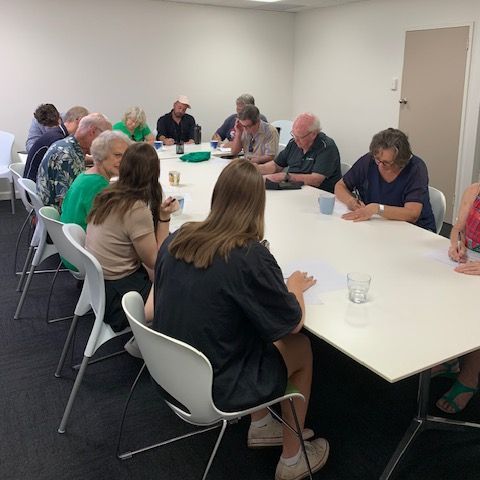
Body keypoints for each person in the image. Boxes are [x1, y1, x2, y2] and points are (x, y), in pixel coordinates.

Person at [149, 159, 329, 480]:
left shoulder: (178, 237)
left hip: (170, 373)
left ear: (217, 196)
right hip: (217, 386)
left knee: (245, 323)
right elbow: (291, 322)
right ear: (259, 204)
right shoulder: (248, 254)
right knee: (299, 346)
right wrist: (294, 287)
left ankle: (260, 424)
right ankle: (292, 458)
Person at [86, 143, 178, 341]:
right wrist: (164, 217)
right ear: (155, 172)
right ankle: (154, 344)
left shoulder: (108, 193)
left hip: (100, 289)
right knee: (183, 282)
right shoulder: (135, 208)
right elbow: (155, 260)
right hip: (122, 300)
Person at [433, 181, 480, 413]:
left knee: (474, 311)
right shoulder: (474, 190)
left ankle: (469, 378)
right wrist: (455, 245)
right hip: (468, 262)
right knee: (439, 294)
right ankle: (451, 358)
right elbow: (457, 228)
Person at [335, 128, 436, 231]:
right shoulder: (369, 161)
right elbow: (340, 186)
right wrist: (350, 201)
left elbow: (412, 214)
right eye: (378, 159)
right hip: (378, 226)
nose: (380, 165)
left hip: (415, 230)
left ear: (401, 161)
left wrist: (378, 209)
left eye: (387, 163)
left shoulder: (416, 169)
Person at [36, 113, 112, 210]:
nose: (105, 144)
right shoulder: (66, 156)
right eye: (105, 138)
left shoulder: (68, 145)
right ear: (92, 132)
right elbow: (67, 204)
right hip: (59, 217)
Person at [60, 130, 132, 230]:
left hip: (70, 237)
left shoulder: (87, 175)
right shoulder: (97, 184)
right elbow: (106, 226)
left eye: (126, 156)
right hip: (83, 241)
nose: (124, 161)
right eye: (117, 155)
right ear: (101, 155)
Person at [256, 113, 341, 191]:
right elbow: (276, 165)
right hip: (294, 189)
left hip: (318, 194)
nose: (296, 140)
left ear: (313, 134)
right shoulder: (293, 143)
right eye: (294, 135)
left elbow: (316, 180)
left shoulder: (327, 147)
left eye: (300, 137)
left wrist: (286, 176)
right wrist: (255, 169)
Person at [24, 106, 89, 181]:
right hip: (37, 183)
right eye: (86, 124)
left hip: (36, 180)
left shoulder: (56, 134)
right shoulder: (57, 140)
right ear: (79, 120)